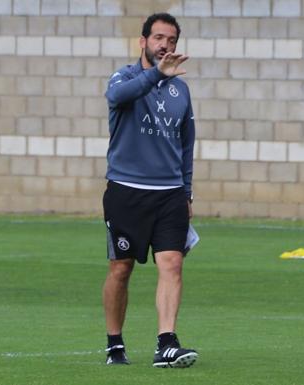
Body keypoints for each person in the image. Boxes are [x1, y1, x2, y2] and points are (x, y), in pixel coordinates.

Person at [102, 13, 197, 368]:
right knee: (121, 268)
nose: (165, 46)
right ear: (143, 42)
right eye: (158, 38)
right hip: (126, 190)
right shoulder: (124, 76)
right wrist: (156, 74)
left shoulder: (181, 90)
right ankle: (114, 343)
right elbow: (118, 95)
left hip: (170, 193)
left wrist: (186, 192)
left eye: (171, 40)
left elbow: (187, 145)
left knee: (172, 263)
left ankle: (166, 343)